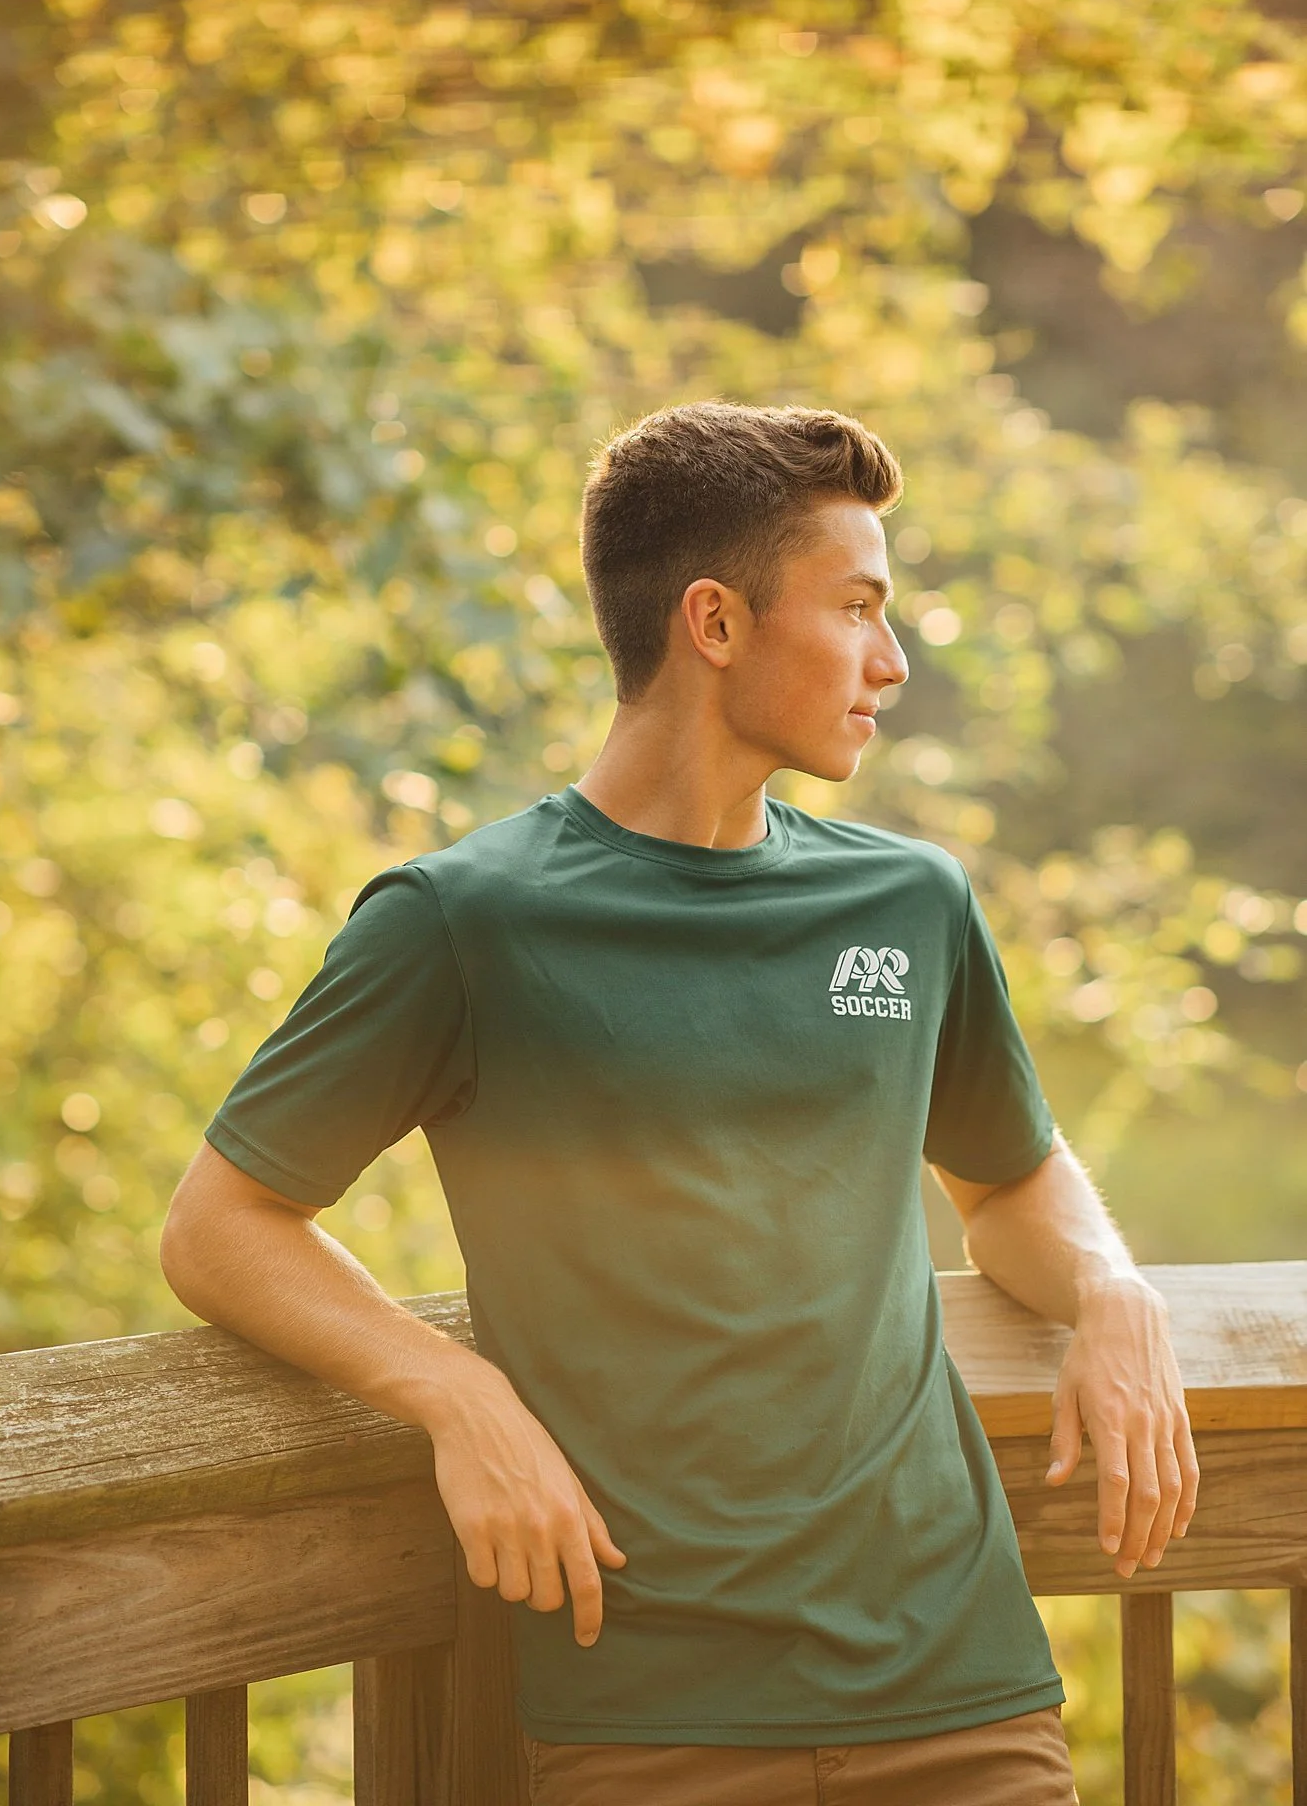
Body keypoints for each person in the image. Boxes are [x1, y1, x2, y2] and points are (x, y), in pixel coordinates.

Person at [161, 402, 1198, 1806]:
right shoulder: (466, 922)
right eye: (856, 609)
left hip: (963, 1691)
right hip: (651, 1719)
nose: (891, 663)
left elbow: (1010, 1186)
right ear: (714, 623)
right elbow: (224, 1223)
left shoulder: (909, 901)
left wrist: (1115, 1291)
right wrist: (455, 1394)